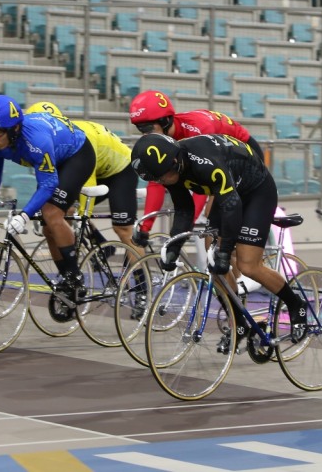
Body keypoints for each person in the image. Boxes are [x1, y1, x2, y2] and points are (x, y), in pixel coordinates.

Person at [130, 133, 307, 353]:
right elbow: (185, 210)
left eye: (161, 178)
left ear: (175, 162)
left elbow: (231, 206)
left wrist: (225, 250)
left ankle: (296, 304)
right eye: (155, 179)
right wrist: (173, 247)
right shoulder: (170, 168)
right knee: (213, 263)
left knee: (247, 265)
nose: (160, 182)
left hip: (255, 191)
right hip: (227, 191)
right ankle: (239, 322)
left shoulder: (205, 164)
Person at [0, 95, 95, 299]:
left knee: (51, 213)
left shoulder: (36, 140)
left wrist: (23, 216)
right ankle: (65, 275)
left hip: (77, 155)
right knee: (47, 226)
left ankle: (75, 277)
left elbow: (48, 184)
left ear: (14, 129)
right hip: (53, 153)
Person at [128, 90, 264, 247]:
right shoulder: (162, 142)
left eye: (148, 128)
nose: (145, 134)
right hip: (219, 161)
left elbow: (204, 179)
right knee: (211, 231)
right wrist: (146, 227)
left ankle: (236, 256)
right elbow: (156, 179)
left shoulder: (197, 130)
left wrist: (187, 225)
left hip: (242, 158)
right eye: (141, 129)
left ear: (165, 121)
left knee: (214, 217)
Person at [25, 101, 141, 254]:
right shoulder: (53, 141)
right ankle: (101, 245)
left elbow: (89, 181)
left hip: (121, 171)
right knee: (62, 208)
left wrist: (82, 217)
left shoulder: (75, 138)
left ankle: (142, 277)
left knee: (123, 230)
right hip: (97, 169)